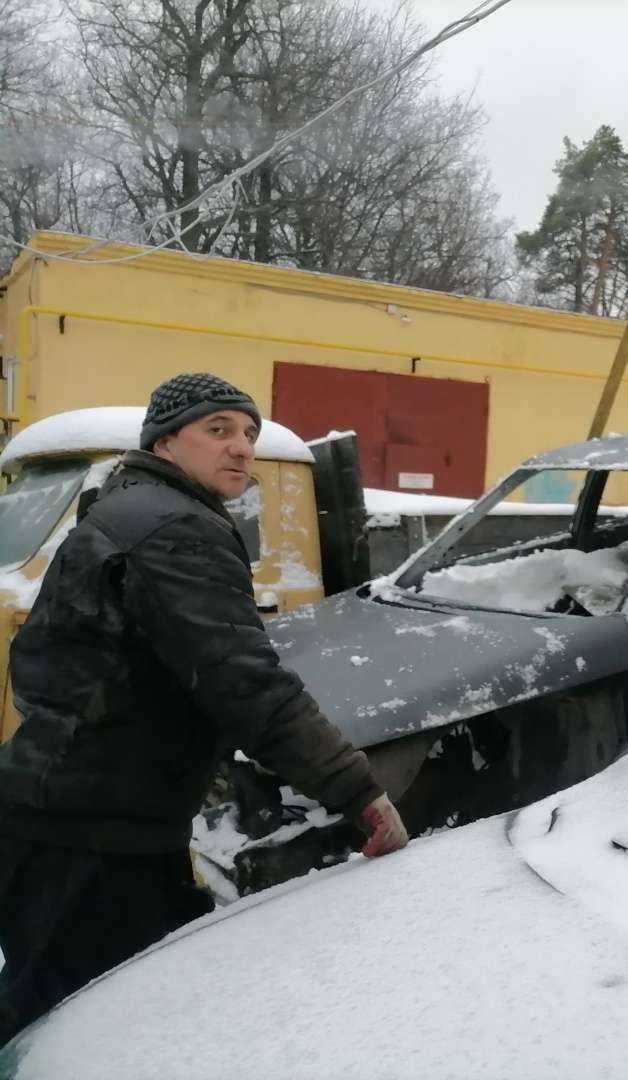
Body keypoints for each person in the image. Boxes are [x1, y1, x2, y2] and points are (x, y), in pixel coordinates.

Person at [0, 372, 408, 1046]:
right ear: (163, 443)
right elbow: (245, 682)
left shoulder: (127, 506)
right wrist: (359, 791)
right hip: (89, 842)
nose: (242, 448)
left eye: (248, 433)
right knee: (62, 1032)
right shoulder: (172, 529)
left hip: (89, 819)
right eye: (217, 429)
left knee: (135, 1005)